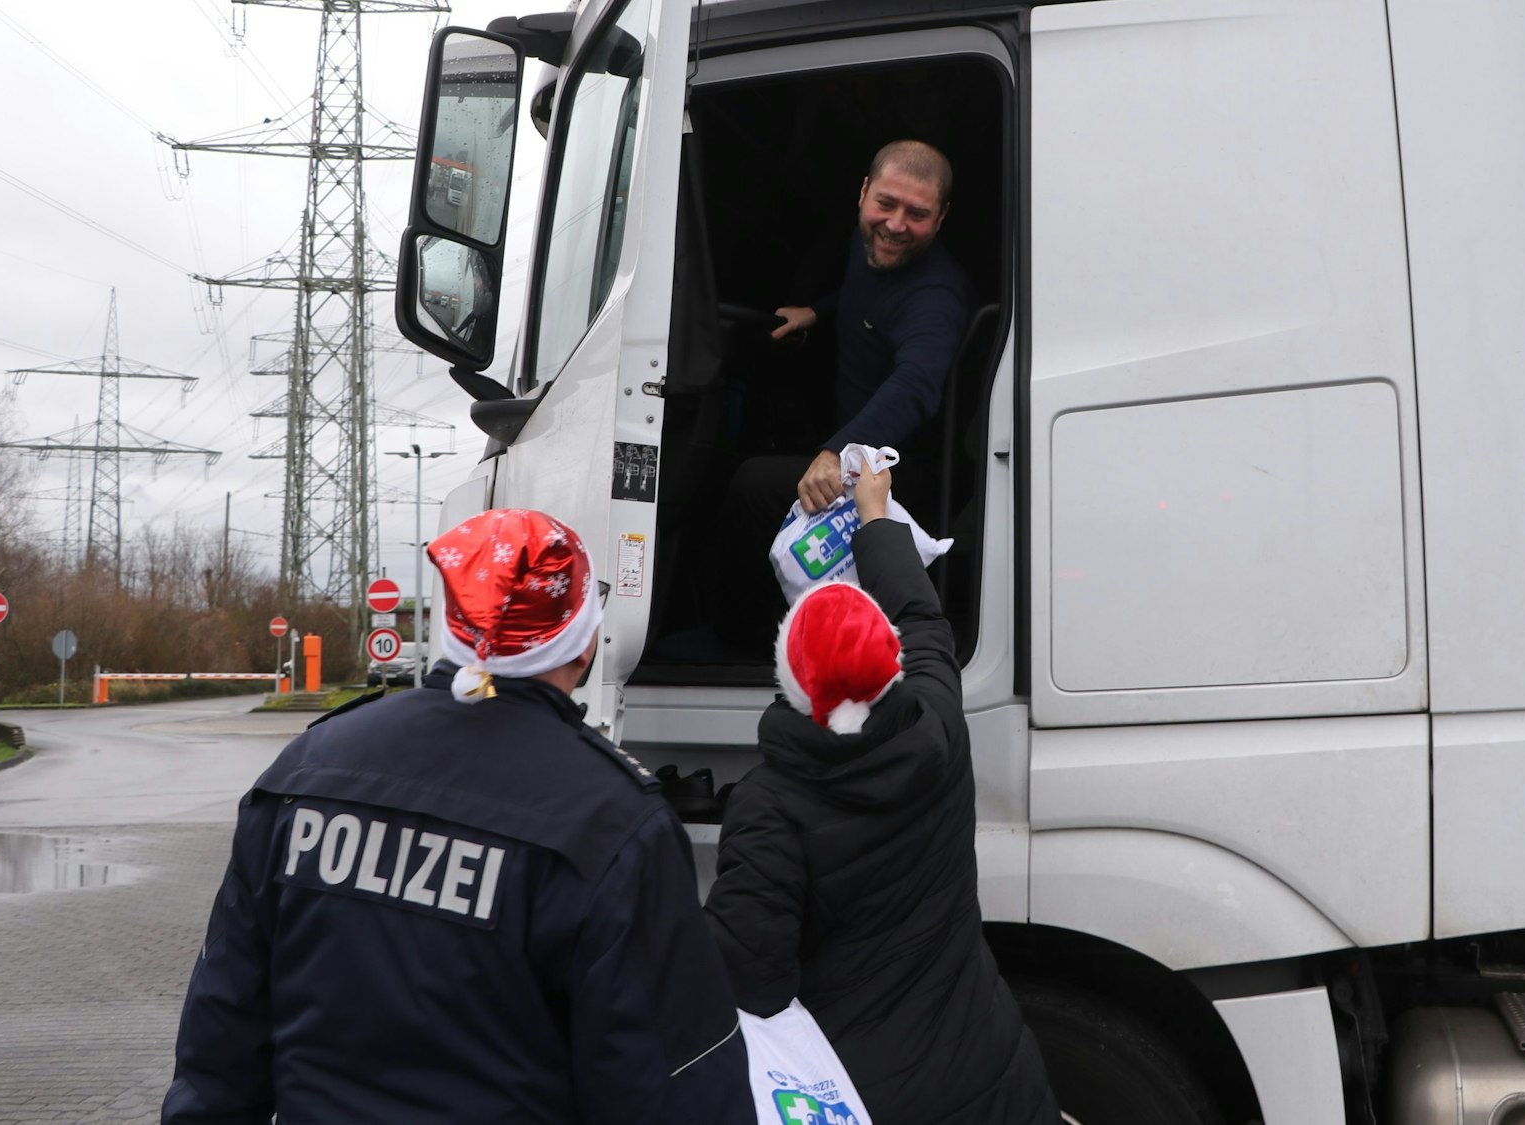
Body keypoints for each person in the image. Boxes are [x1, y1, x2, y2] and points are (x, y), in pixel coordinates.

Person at [162, 508, 754, 1125]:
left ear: (450, 624)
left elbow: (221, 1034)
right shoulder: (614, 822)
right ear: (581, 642)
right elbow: (674, 1082)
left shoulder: (308, 770)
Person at [704, 466, 1059, 1124]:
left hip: (867, 1091)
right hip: (994, 1073)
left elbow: (752, 979)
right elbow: (922, 618)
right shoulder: (936, 728)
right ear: (889, 660)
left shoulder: (768, 807)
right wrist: (874, 515)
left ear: (790, 677)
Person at [708, 139, 970, 650]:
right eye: (886, 204)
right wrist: (818, 312)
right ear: (864, 193)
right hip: (851, 435)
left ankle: (746, 646)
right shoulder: (869, 243)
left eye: (917, 214)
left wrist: (836, 453)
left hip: (894, 470)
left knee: (750, 486)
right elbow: (864, 294)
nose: (895, 225)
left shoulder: (935, 296)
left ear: (940, 219)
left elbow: (915, 385)